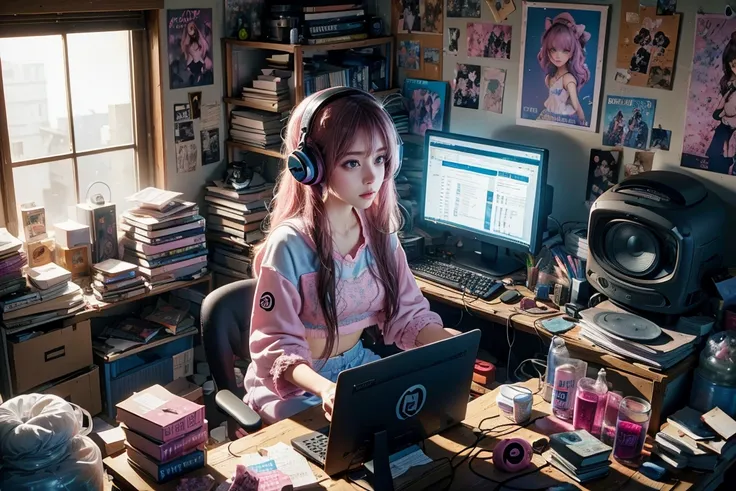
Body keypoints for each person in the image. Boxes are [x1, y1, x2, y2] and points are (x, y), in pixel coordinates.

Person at [243, 88, 454, 424]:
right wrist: (325, 389)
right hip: (296, 385)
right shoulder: (289, 245)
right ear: (311, 166)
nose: (372, 176)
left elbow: (409, 315)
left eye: (380, 159)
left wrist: (450, 350)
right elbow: (275, 343)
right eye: (352, 162)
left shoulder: (382, 238)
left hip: (356, 369)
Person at [536, 12, 590, 126]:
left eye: (565, 50)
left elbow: (576, 105)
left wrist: (584, 124)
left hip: (562, 120)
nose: (557, 56)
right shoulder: (549, 78)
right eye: (553, 49)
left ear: (571, 53)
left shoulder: (568, 79)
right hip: (547, 117)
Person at [706, 31, 736, 174]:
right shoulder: (729, 84)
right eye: (734, 65)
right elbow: (716, 115)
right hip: (724, 131)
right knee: (715, 167)